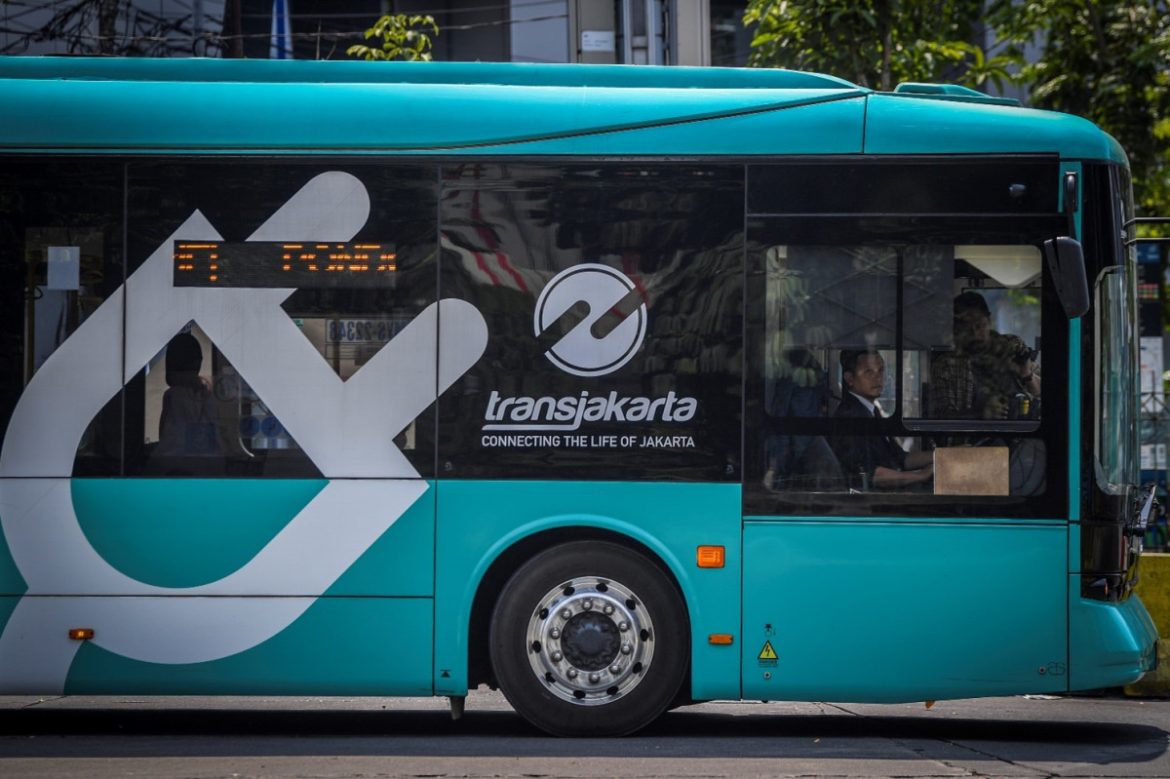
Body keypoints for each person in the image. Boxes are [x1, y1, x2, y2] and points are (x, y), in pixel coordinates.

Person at [831, 349, 933, 490]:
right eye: (869, 372)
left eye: (881, 370)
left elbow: (900, 458)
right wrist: (920, 476)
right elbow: (872, 474)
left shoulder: (872, 411)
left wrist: (939, 457)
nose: (878, 378)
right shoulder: (850, 417)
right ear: (849, 379)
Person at [930, 291, 1040, 420]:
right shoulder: (946, 366)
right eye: (967, 328)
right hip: (975, 439)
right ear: (957, 330)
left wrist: (1026, 374)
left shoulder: (1013, 347)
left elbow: (1040, 394)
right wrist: (981, 414)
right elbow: (943, 417)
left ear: (989, 321)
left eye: (979, 325)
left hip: (1025, 434)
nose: (975, 334)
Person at [155, 331, 222, 458]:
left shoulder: (174, 396)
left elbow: (168, 443)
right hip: (210, 468)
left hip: (180, 469)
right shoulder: (209, 397)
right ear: (198, 363)